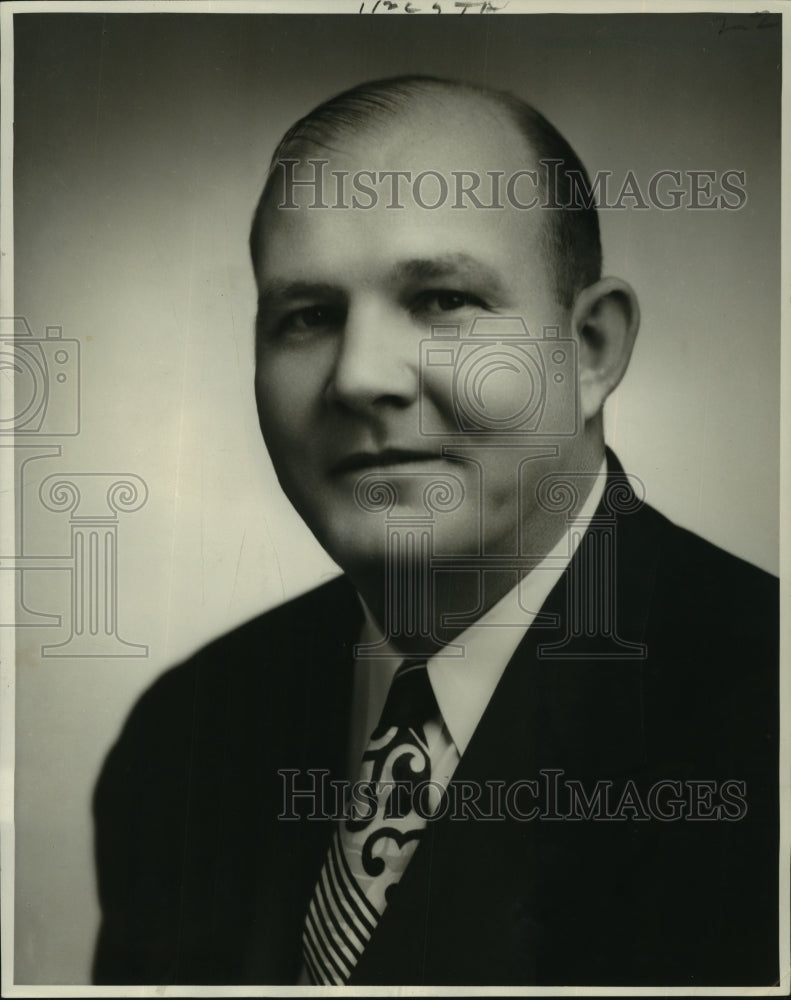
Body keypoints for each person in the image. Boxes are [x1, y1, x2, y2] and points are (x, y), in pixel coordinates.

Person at [92, 76, 779, 987]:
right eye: (307, 317)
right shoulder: (186, 735)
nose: (359, 378)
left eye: (443, 301)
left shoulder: (761, 707)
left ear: (590, 350)